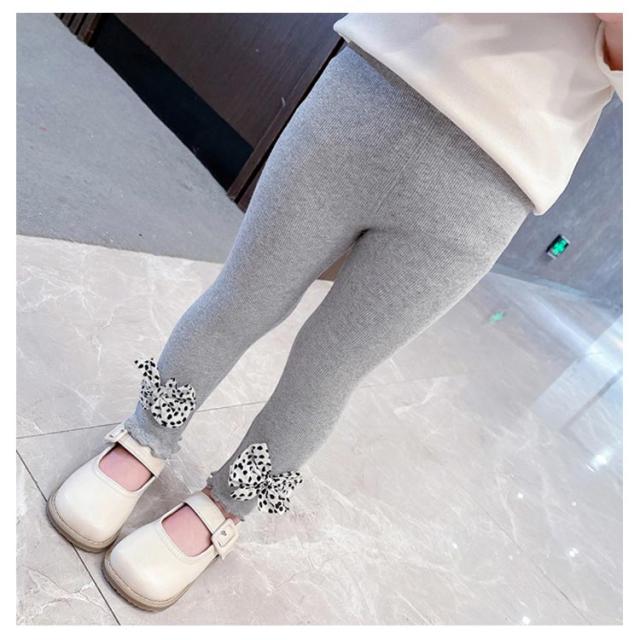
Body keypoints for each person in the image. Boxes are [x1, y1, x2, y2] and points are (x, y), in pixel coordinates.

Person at [47, 13, 623, 611]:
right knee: (246, 295)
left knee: (328, 368)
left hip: (495, 184)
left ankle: (224, 507)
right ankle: (146, 436)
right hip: (380, 85)